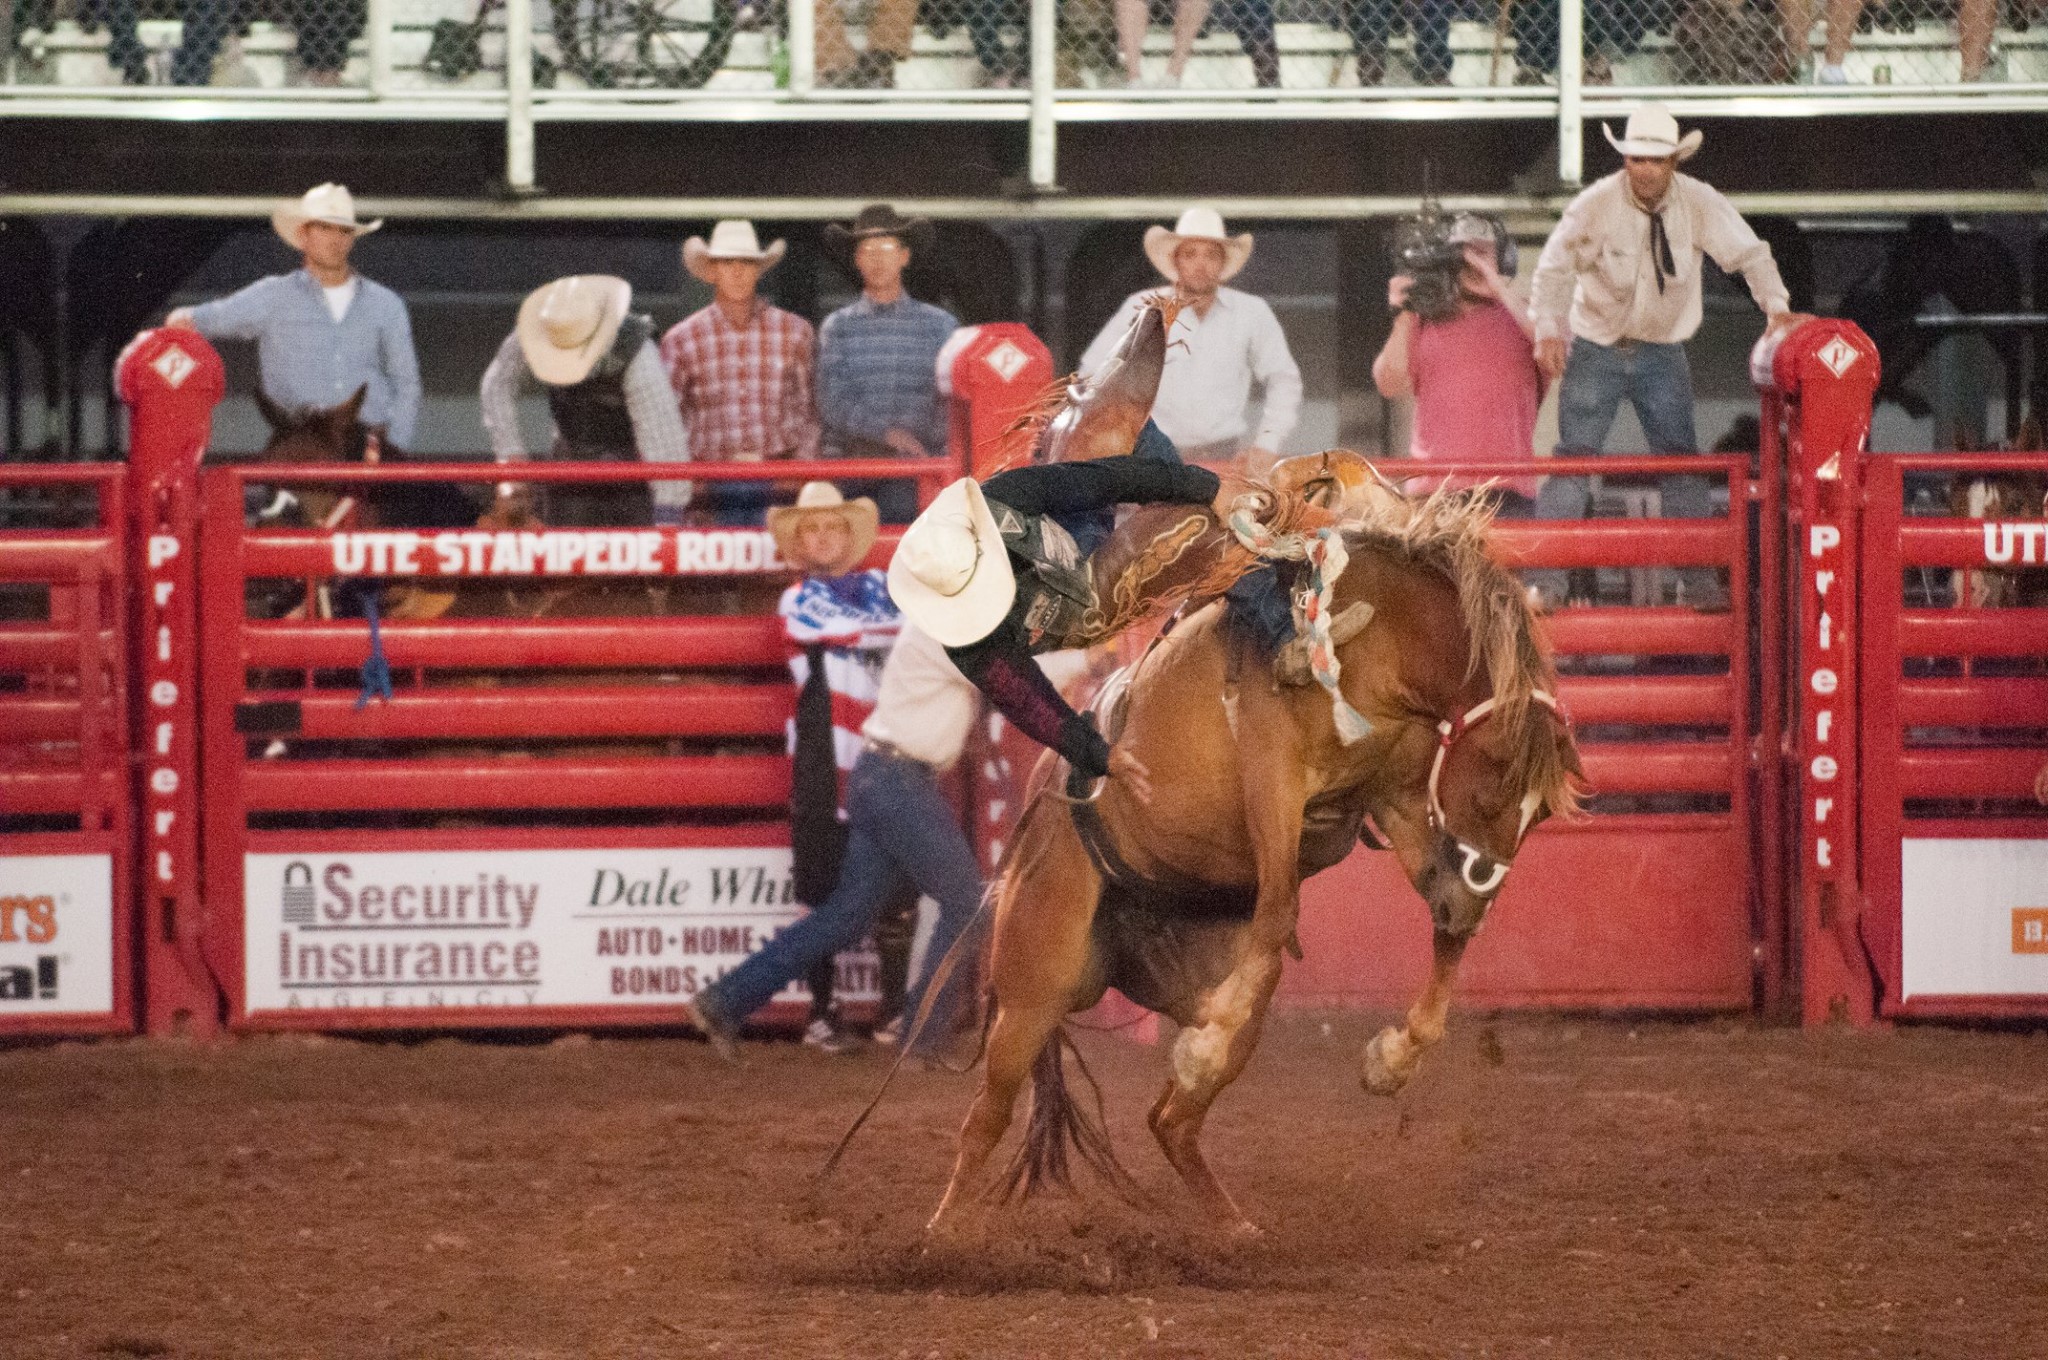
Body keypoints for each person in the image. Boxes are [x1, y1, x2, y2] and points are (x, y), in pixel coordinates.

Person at [887, 424, 1292, 795]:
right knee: (1184, 515)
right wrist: (1097, 754)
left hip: (1074, 548)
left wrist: (1205, 486)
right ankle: (1277, 624)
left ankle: (1269, 606)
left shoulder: (1002, 498)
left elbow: (1100, 480)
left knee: (1129, 427)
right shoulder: (967, 642)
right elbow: (1027, 699)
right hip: (1074, 609)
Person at [1527, 106, 1804, 607]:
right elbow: (1553, 267)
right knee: (1575, 460)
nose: (1645, 169)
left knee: (1678, 461)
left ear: (1674, 161)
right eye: (1637, 159)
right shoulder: (1595, 204)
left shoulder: (1698, 202)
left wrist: (1776, 307)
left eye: (1655, 160)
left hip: (1661, 349)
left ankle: (1698, 581)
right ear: (1626, 159)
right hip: (1597, 345)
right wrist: (1547, 326)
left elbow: (1749, 253)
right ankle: (1546, 582)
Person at [686, 621, 994, 1065]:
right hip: (899, 780)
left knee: (847, 915)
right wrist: (1087, 657)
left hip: (884, 775)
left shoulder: (938, 626)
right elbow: (1011, 678)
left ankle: (724, 1001)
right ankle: (923, 1037)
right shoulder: (945, 631)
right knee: (966, 901)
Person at [767, 481, 916, 1055]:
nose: (824, 536)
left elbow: (912, 633)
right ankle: (822, 1012)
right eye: (813, 528)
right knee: (823, 887)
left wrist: (879, 633)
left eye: (833, 526)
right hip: (824, 759)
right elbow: (848, 632)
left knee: (897, 883)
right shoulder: (797, 599)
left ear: (847, 536)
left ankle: (893, 1010)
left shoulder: (881, 587)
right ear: (800, 542)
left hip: (884, 749)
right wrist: (883, 632)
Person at [167, 183, 421, 452]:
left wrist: (395, 446)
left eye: (345, 230)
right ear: (303, 235)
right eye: (324, 228)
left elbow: (407, 383)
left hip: (368, 445)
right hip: (301, 443)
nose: (336, 239)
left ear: (352, 238)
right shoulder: (272, 296)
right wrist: (180, 322)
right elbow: (199, 320)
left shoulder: (385, 303)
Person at [1079, 207, 1302, 473]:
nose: (1200, 264)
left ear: (1222, 263)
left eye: (1210, 255)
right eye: (1190, 254)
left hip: (1225, 458)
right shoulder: (1142, 307)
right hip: (1152, 456)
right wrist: (1112, 435)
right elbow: (1093, 373)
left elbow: (1283, 379)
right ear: (1176, 260)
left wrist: (1268, 442)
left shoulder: (1251, 312)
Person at [477, 275, 691, 528]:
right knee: (565, 562)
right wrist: (510, 456)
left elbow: (664, 443)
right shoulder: (545, 327)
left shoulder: (637, 353)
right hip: (568, 473)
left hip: (630, 477)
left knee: (637, 561)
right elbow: (497, 384)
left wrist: (668, 518)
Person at [1372, 213, 1543, 510]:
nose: (1471, 262)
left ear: (1503, 258)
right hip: (1433, 493)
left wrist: (1498, 286)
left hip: (1506, 493)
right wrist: (1403, 316)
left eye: (1482, 252)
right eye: (1462, 254)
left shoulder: (1523, 317)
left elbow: (1557, 349)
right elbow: (1388, 383)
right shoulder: (1422, 322)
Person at [660, 220, 819, 526]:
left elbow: (809, 409)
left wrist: (799, 472)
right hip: (712, 479)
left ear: (758, 270)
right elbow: (668, 422)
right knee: (722, 568)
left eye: (746, 262)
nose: (736, 272)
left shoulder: (795, 331)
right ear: (712, 271)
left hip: (779, 475)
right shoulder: (682, 339)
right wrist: (690, 479)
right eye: (726, 263)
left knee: (777, 566)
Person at [817, 205, 959, 523]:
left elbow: (949, 400)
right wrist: (888, 434)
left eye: (887, 248)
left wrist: (918, 444)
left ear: (904, 256)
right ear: (856, 260)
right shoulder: (837, 326)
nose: (878, 259)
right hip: (853, 468)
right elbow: (832, 401)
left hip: (918, 468)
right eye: (868, 250)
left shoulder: (941, 326)